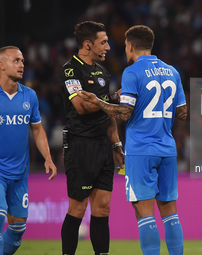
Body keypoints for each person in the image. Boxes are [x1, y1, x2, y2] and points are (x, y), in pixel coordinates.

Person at [76, 25, 187, 255]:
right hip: (167, 148)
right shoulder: (172, 71)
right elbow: (183, 112)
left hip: (141, 150)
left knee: (144, 213)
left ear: (131, 46)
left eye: (125, 46)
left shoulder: (132, 72)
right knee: (170, 213)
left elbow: (125, 114)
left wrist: (99, 102)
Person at [59, 21, 124, 255]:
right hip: (80, 144)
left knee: (103, 208)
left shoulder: (102, 71)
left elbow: (107, 112)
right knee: (78, 208)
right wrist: (113, 98)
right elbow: (81, 107)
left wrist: (116, 143)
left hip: (103, 146)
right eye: (103, 42)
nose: (108, 46)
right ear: (88, 44)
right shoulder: (70, 70)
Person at [0, 46, 57, 255]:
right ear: (1, 65)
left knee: (17, 229)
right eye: (16, 60)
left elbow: (37, 129)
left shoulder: (30, 96)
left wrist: (48, 158)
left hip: (20, 173)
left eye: (23, 60)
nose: (22, 64)